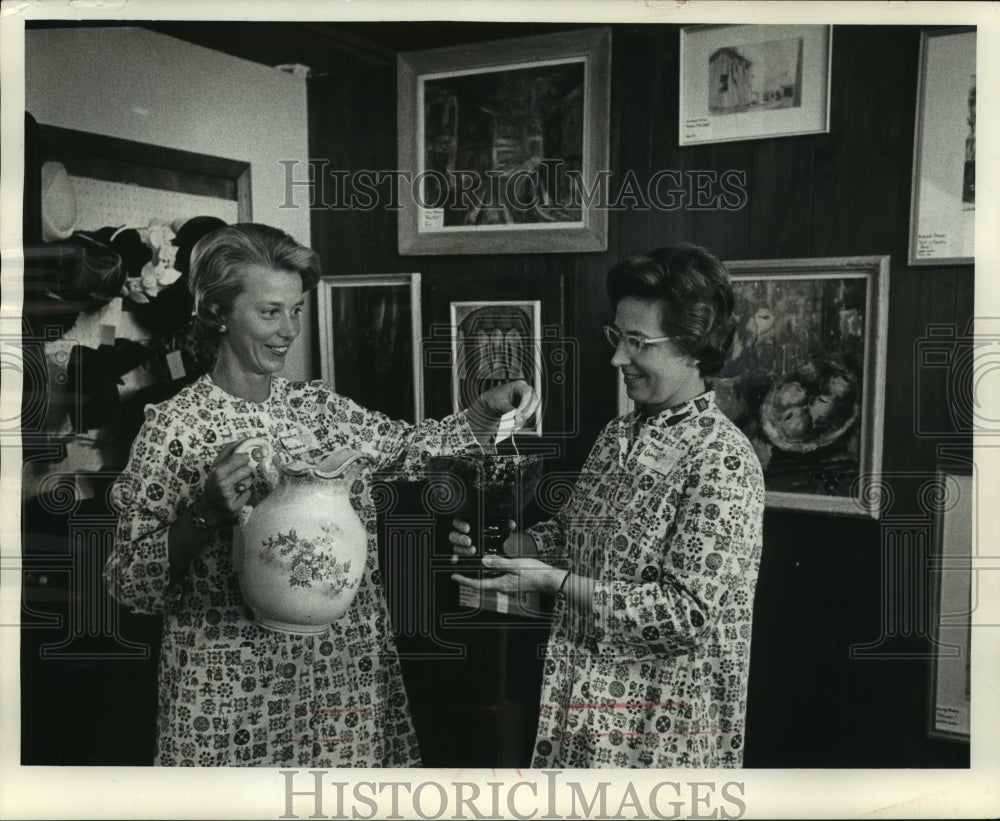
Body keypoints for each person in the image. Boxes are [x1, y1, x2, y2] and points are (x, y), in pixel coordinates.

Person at [106, 223, 538, 767]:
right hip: (229, 698)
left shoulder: (321, 410)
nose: (288, 330)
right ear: (217, 311)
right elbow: (129, 583)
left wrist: (487, 410)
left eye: (297, 311)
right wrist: (204, 515)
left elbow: (413, 449)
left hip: (339, 685)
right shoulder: (173, 430)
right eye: (270, 312)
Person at [451, 244, 764, 768]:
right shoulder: (617, 435)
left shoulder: (722, 459)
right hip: (580, 714)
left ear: (693, 344)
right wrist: (499, 545)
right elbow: (570, 535)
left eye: (638, 342)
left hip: (656, 734)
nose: (618, 357)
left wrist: (550, 582)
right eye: (617, 337)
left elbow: (684, 615)